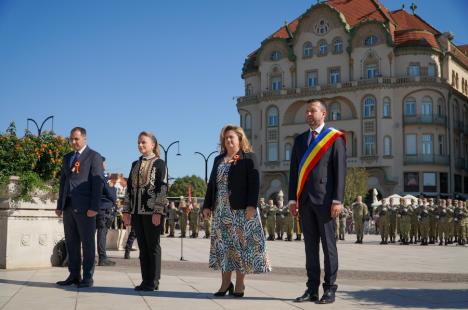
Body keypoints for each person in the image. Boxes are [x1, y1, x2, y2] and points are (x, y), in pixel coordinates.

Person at [288, 99, 346, 304]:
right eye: (307, 112)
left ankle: (329, 288)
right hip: (304, 201)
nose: (308, 114)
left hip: (326, 201)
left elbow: (340, 171)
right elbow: (294, 173)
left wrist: (337, 199)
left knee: (329, 247)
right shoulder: (300, 140)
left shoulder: (334, 138)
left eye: (312, 111)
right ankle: (311, 288)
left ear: (324, 114)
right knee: (310, 247)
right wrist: (291, 200)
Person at [203, 124, 270, 298]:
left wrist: (252, 205)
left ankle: (240, 284)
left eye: (231, 137)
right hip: (221, 210)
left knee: (242, 247)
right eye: (226, 138)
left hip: (242, 210)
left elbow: (255, 182)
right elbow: (212, 184)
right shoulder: (218, 159)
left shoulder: (249, 157)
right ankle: (225, 284)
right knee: (224, 247)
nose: (228, 140)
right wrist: (207, 205)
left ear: (240, 139)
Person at [55, 127, 104, 288]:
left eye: (76, 139)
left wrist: (94, 207)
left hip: (86, 209)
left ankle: (88, 277)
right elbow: (64, 182)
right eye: (71, 139)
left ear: (84, 138)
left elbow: (98, 184)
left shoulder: (93, 156)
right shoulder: (67, 157)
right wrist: (59, 205)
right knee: (72, 243)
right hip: (68, 207)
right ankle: (74, 275)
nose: (73, 142)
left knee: (88, 244)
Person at [123, 131, 168, 291]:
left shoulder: (160, 163)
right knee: (142, 247)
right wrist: (126, 211)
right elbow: (128, 189)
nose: (140, 145)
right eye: (139, 142)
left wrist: (158, 211)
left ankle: (154, 281)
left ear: (153, 145)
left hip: (152, 213)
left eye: (144, 142)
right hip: (136, 212)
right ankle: (145, 280)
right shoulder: (135, 164)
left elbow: (162, 189)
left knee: (153, 246)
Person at [96, 157, 117, 266]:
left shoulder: (91, 175)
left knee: (90, 234)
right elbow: (112, 195)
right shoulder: (104, 177)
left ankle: (89, 257)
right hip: (104, 209)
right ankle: (102, 258)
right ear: (102, 164)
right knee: (102, 233)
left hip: (93, 208)